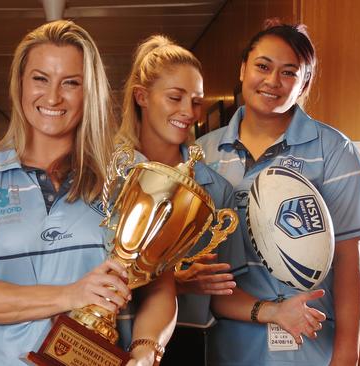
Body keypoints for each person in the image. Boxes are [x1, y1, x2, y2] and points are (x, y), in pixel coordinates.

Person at [0, 20, 177, 366]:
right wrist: (70, 295)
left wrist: (145, 351)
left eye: (71, 83)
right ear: (19, 83)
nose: (52, 97)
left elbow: (159, 287)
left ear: (90, 90)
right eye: (40, 79)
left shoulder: (129, 171)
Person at [197, 19, 360, 365]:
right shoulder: (203, 154)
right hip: (230, 347)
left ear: (304, 83)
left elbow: (350, 263)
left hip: (311, 348)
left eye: (289, 72)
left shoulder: (333, 150)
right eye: (263, 66)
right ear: (243, 68)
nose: (273, 81)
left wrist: (347, 355)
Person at [116, 35, 242, 365]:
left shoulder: (216, 191)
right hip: (106, 337)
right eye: (175, 97)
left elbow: (223, 290)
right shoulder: (103, 177)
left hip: (189, 343)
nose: (188, 112)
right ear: (141, 96)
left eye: (196, 101)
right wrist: (174, 281)